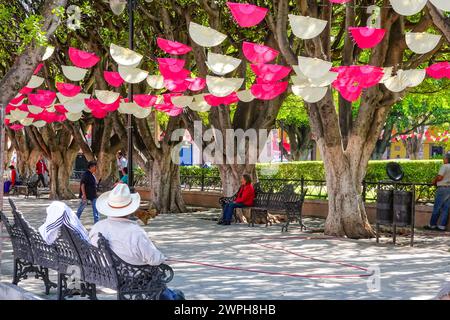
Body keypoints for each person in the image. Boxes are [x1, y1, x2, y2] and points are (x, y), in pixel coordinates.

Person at [89, 184, 184, 300]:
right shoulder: (135, 232)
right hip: (132, 277)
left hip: (106, 275)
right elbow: (154, 259)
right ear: (130, 209)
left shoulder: (97, 227)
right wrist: (162, 257)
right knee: (169, 289)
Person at [425, 153, 450, 231]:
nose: (443, 159)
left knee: (437, 207)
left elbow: (440, 177)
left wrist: (434, 181)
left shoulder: (444, 166)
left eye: (444, 158)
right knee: (446, 208)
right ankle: (441, 226)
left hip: (442, 188)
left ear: (446, 159)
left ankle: (432, 225)